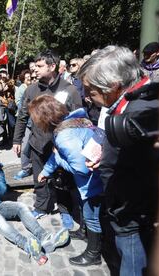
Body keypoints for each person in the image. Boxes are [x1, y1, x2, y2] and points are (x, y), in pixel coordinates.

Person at [78, 45, 159, 275]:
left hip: (133, 220)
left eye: (91, 91)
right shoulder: (134, 106)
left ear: (113, 86)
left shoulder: (140, 114)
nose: (87, 97)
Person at [29, 95, 103, 266]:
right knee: (85, 210)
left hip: (93, 183)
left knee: (92, 216)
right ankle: (84, 232)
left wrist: (58, 157)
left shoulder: (65, 136)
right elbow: (59, 156)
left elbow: (82, 169)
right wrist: (46, 171)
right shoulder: (72, 122)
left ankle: (93, 254)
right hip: (91, 180)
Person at [12, 50, 82, 228]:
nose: (35, 69)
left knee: (64, 182)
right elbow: (22, 117)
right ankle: (42, 207)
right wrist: (17, 140)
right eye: (35, 65)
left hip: (61, 147)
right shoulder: (31, 89)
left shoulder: (69, 89)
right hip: (37, 144)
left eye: (40, 65)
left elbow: (79, 120)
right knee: (39, 179)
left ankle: (66, 210)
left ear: (52, 66)